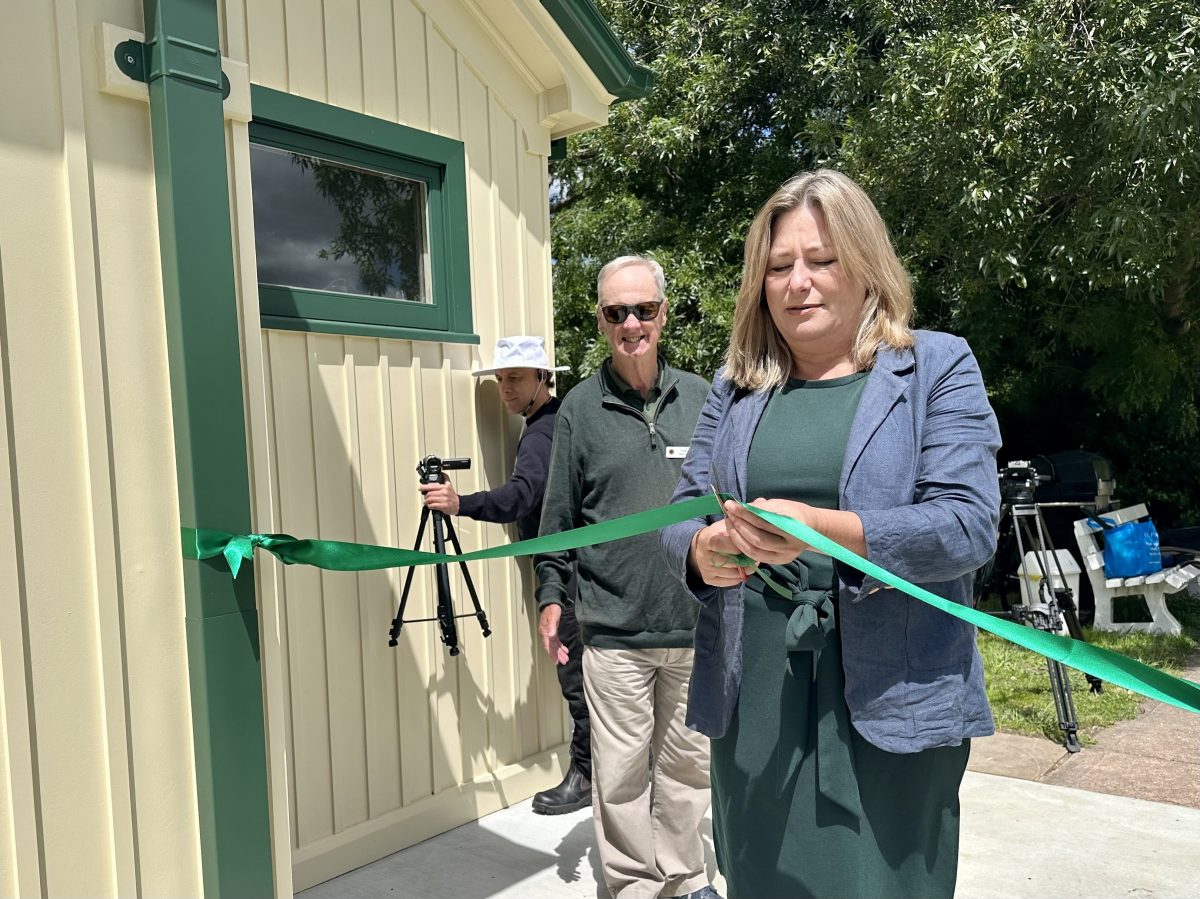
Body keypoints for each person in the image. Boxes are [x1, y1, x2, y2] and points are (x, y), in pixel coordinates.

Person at [660, 170, 1001, 899]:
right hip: (756, 702)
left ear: (866, 262)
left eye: (821, 260)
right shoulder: (736, 386)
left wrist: (830, 533)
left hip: (890, 701)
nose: (797, 283)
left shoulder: (937, 366)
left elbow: (968, 523)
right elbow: (684, 507)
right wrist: (699, 549)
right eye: (778, 267)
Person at [535, 256, 720, 899]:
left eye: (643, 309)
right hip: (611, 629)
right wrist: (551, 597)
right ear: (601, 320)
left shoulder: (704, 399)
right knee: (618, 774)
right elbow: (557, 518)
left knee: (687, 767)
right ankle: (635, 884)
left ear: (664, 314)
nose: (631, 323)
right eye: (617, 313)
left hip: (697, 622)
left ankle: (687, 875)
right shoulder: (579, 411)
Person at [419, 334, 591, 815]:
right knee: (591, 675)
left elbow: (524, 495)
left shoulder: (541, 433)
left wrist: (461, 504)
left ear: (542, 378)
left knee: (576, 676)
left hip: (569, 574)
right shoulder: (554, 422)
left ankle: (587, 775)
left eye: (515, 378)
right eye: (499, 379)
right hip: (577, 567)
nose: (506, 389)